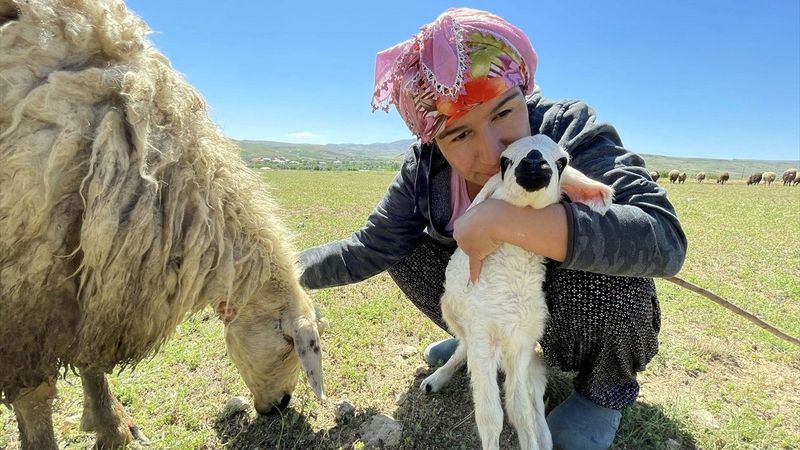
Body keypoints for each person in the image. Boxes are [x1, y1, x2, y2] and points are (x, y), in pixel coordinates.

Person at [298, 7, 686, 450]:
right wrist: (272, 272)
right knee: (400, 249)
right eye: (459, 135)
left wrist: (505, 222)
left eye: (503, 112)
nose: (491, 150)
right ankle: (475, 346)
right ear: (434, 140)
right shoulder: (424, 172)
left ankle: (601, 393)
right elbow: (367, 247)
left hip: (566, 300)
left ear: (523, 91)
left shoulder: (564, 129)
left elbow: (663, 237)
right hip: (494, 300)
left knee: (613, 275)